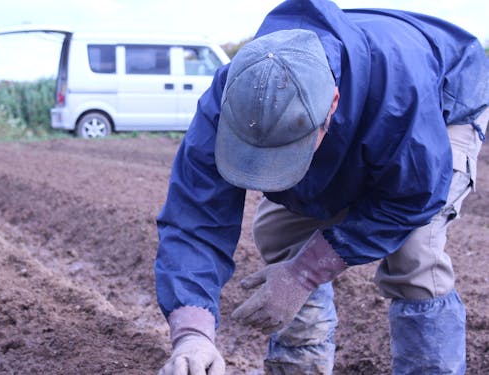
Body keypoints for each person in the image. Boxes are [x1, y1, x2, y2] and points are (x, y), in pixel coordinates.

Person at [155, 0, 489, 374]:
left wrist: (304, 274)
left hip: (442, 107)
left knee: (415, 260)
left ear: (331, 106)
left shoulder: (400, 94)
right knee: (277, 233)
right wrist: (193, 334)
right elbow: (194, 218)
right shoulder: (230, 96)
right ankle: (300, 365)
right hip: (361, 111)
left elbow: (411, 199)